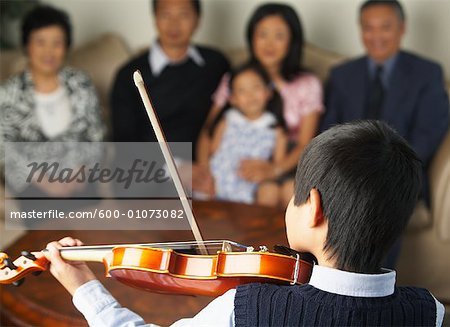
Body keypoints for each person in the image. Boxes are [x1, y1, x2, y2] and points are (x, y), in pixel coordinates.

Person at [46, 120, 445, 326]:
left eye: (294, 193)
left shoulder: (247, 308)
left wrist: (85, 289)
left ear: (314, 208)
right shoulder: (431, 313)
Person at [320, 0, 449, 269]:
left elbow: (428, 134)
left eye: (385, 28)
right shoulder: (342, 75)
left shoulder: (427, 73)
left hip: (399, 171)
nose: (376, 36)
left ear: (402, 29)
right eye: (369, 28)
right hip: (348, 172)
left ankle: (372, 289)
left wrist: (384, 170)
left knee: (377, 203)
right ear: (360, 30)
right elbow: (329, 129)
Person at [197, 3, 324, 207]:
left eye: (279, 35)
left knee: (284, 192)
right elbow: (208, 131)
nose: (269, 43)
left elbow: (305, 144)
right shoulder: (235, 78)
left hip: (287, 163)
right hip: (234, 164)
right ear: (251, 38)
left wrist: (273, 169)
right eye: (262, 34)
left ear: (292, 41)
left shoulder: (307, 84)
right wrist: (205, 172)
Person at [0, 5, 104, 202]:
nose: (49, 51)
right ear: (26, 45)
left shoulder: (81, 83)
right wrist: (45, 181)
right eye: (40, 42)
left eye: (57, 43)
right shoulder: (8, 93)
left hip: (79, 179)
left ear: (66, 47)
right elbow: (5, 149)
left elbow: (96, 135)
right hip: (33, 185)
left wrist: (81, 171)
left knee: (94, 223)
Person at [208, 63, 287, 205]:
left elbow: (277, 164)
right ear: (233, 99)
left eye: (256, 87)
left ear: (268, 92)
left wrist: (263, 170)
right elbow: (213, 150)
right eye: (242, 91)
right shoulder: (228, 120)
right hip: (219, 179)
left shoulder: (275, 128)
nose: (250, 95)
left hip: (251, 182)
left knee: (267, 193)